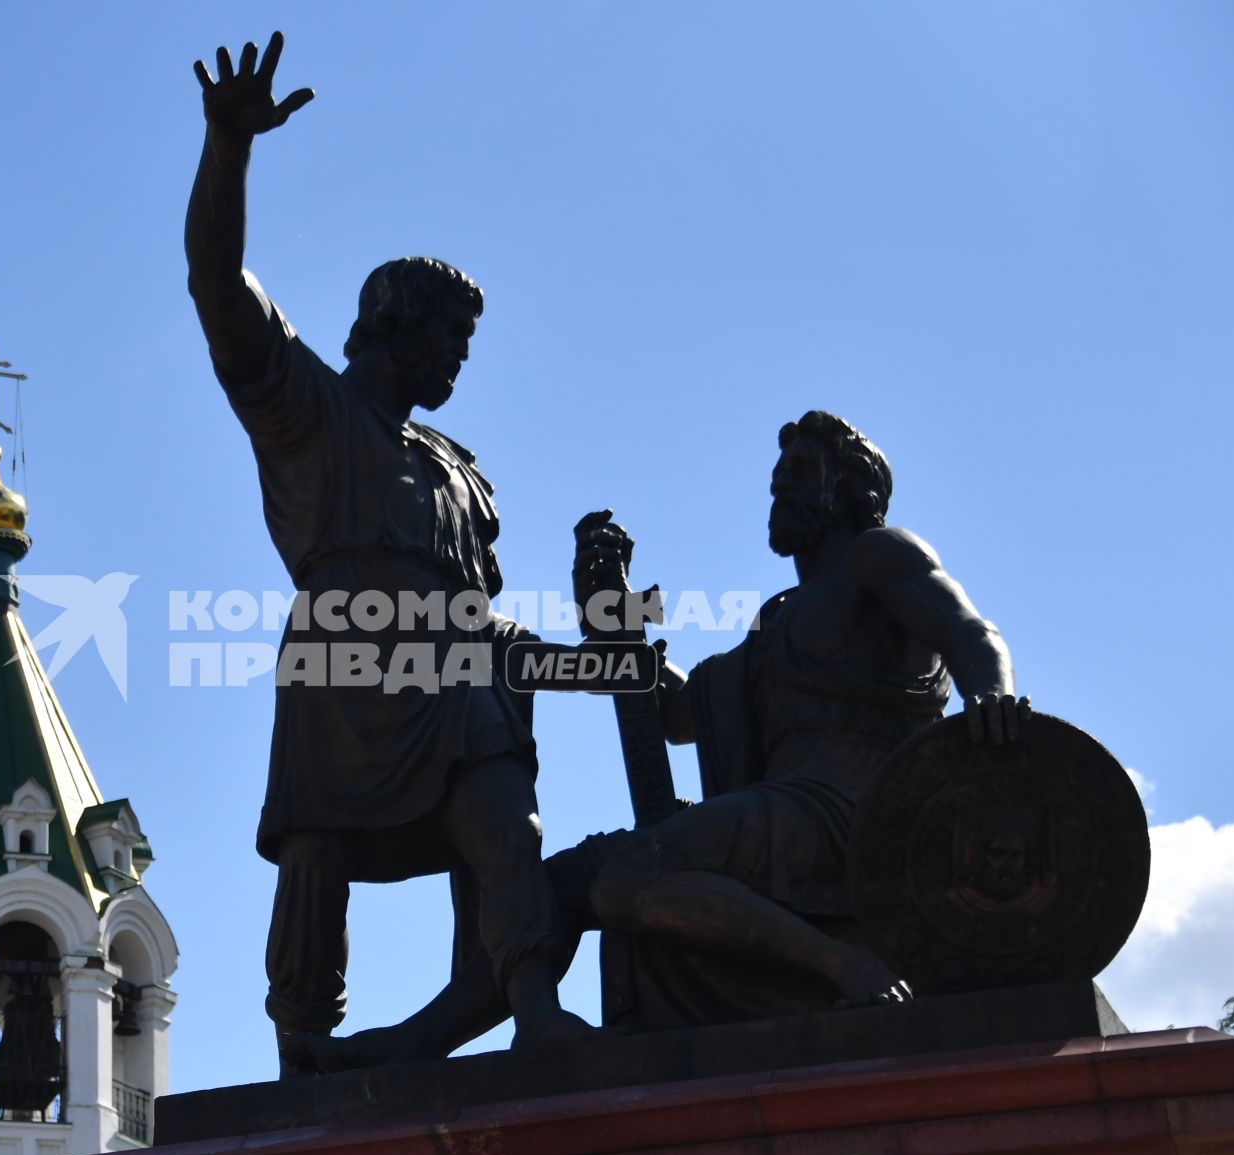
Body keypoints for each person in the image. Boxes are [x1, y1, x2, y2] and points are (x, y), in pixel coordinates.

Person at [304, 411, 1033, 1067]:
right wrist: (618, 620)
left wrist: (993, 695)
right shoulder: (778, 621)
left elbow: (971, 630)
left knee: (624, 879)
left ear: (848, 490)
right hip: (780, 813)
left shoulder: (879, 556)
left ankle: (846, 967)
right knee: (552, 885)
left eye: (797, 477)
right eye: (774, 480)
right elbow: (684, 715)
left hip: (847, 816)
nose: (777, 494)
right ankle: (418, 1044)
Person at [183, 32, 585, 1074]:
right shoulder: (308, 407)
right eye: (451, 335)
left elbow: (484, 607)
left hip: (458, 666)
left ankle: (526, 995)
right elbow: (217, 282)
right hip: (343, 662)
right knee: (318, 843)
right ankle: (306, 1038)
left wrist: (597, 658)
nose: (460, 356)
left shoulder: (458, 465)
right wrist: (230, 146)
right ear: (397, 324)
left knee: (504, 809)